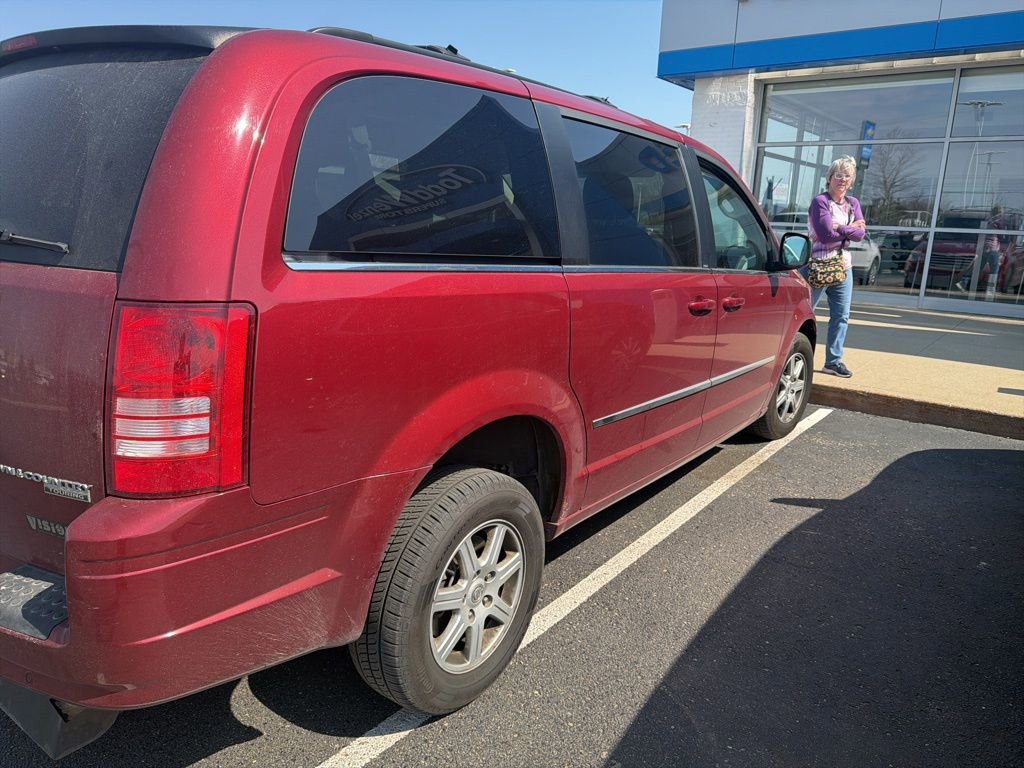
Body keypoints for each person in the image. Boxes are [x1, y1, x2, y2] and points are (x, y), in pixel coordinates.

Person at [807, 156, 866, 378]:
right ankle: (790, 354)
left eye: (847, 175)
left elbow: (860, 235)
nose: (842, 179)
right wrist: (849, 228)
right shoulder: (820, 202)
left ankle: (833, 361)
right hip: (819, 265)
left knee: (841, 316)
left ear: (851, 180)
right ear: (829, 178)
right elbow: (823, 234)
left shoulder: (853, 203)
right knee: (803, 312)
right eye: (838, 175)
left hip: (843, 267)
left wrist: (839, 227)